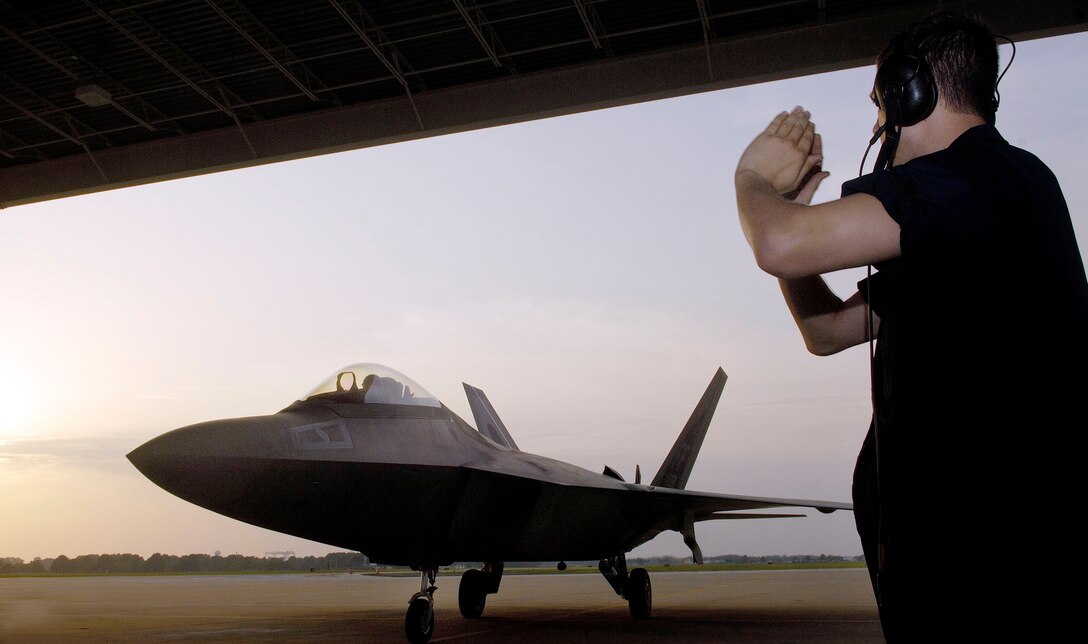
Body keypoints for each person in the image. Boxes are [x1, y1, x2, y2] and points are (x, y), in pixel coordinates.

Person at [734, 12, 1088, 641]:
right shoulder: (964, 222)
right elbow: (826, 331)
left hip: (991, 580)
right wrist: (792, 214)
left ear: (908, 92)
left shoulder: (979, 181)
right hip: (946, 572)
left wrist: (753, 181)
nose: (878, 125)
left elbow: (779, 245)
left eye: (880, 103)